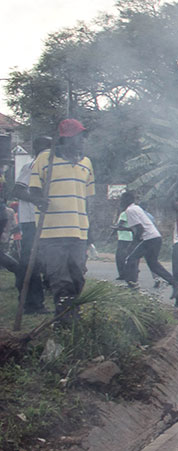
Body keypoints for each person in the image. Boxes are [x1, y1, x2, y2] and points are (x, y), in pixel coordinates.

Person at [27, 120, 96, 314]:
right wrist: (40, 201)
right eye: (79, 136)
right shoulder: (45, 159)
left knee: (78, 277)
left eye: (84, 136)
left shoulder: (87, 163)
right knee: (60, 279)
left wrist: (90, 231)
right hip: (51, 232)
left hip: (79, 231)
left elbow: (88, 200)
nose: (83, 140)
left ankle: (70, 316)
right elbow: (33, 191)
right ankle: (65, 321)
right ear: (67, 138)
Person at [11, 135, 53, 313]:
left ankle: (32, 301)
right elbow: (17, 190)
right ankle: (31, 304)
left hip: (39, 222)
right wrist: (37, 200)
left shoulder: (45, 166)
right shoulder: (33, 165)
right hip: (30, 221)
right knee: (31, 263)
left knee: (36, 262)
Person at [119, 192, 178, 300]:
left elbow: (139, 229)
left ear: (125, 200)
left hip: (149, 239)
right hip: (155, 237)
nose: (120, 202)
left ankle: (132, 287)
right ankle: (176, 284)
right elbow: (140, 227)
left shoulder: (129, 210)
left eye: (121, 200)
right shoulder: (136, 208)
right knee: (153, 264)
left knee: (130, 259)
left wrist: (133, 244)